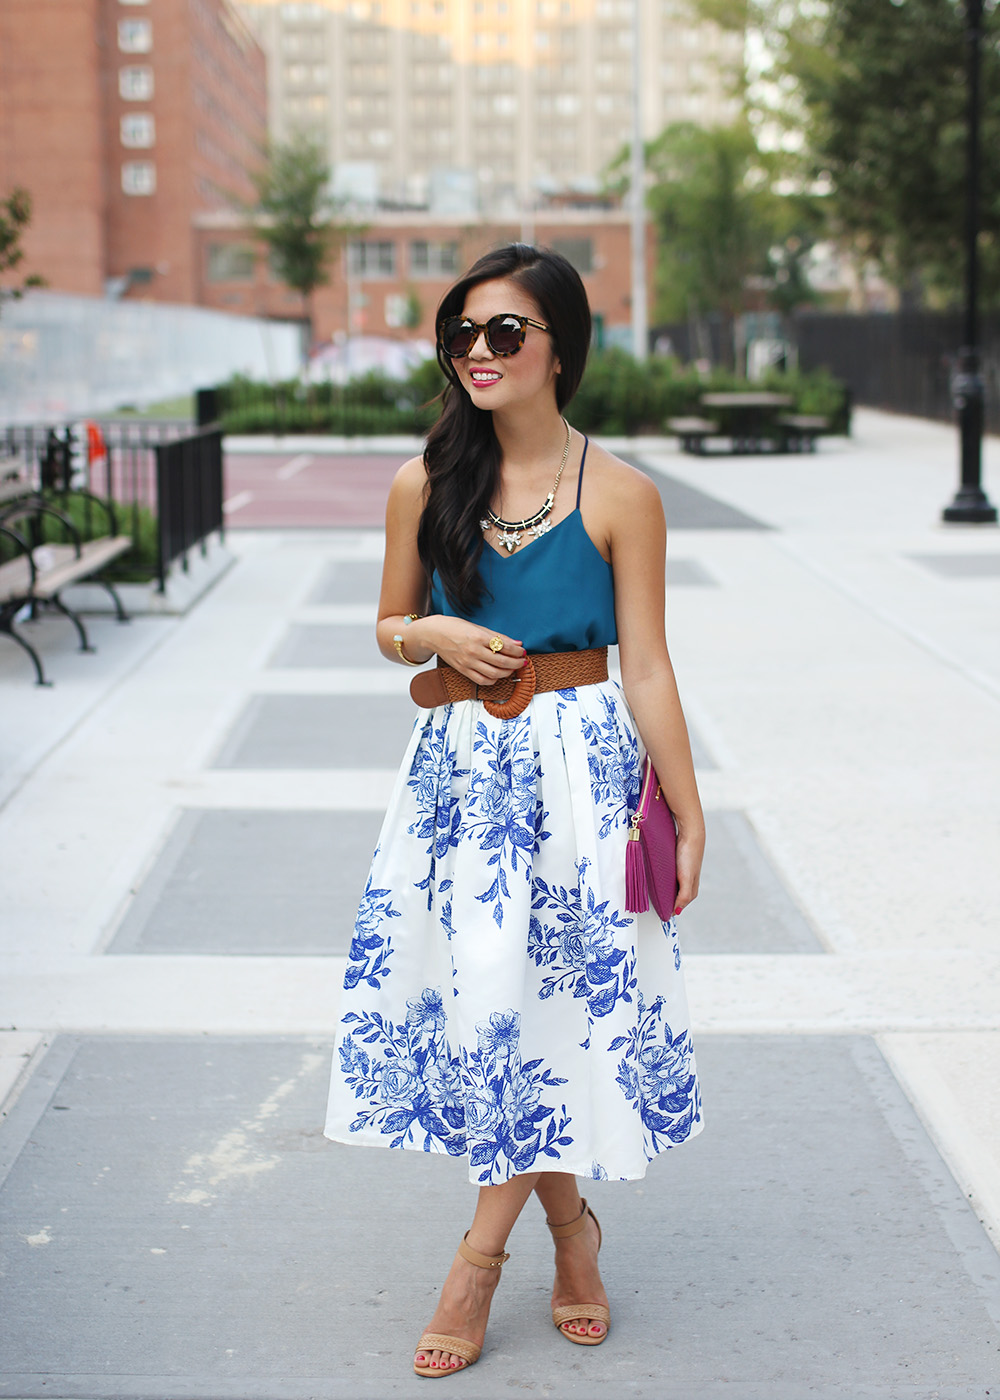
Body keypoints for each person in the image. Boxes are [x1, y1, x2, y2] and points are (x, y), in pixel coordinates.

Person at [324, 243, 705, 1379]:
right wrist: (432, 632)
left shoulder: (624, 494)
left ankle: (477, 1260)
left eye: (505, 332)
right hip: (459, 782)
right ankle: (572, 1231)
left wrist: (688, 809)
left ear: (560, 348)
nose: (477, 352)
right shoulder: (424, 481)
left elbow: (648, 666)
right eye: (462, 333)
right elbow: (388, 625)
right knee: (500, 1005)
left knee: (538, 1009)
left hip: (583, 777)